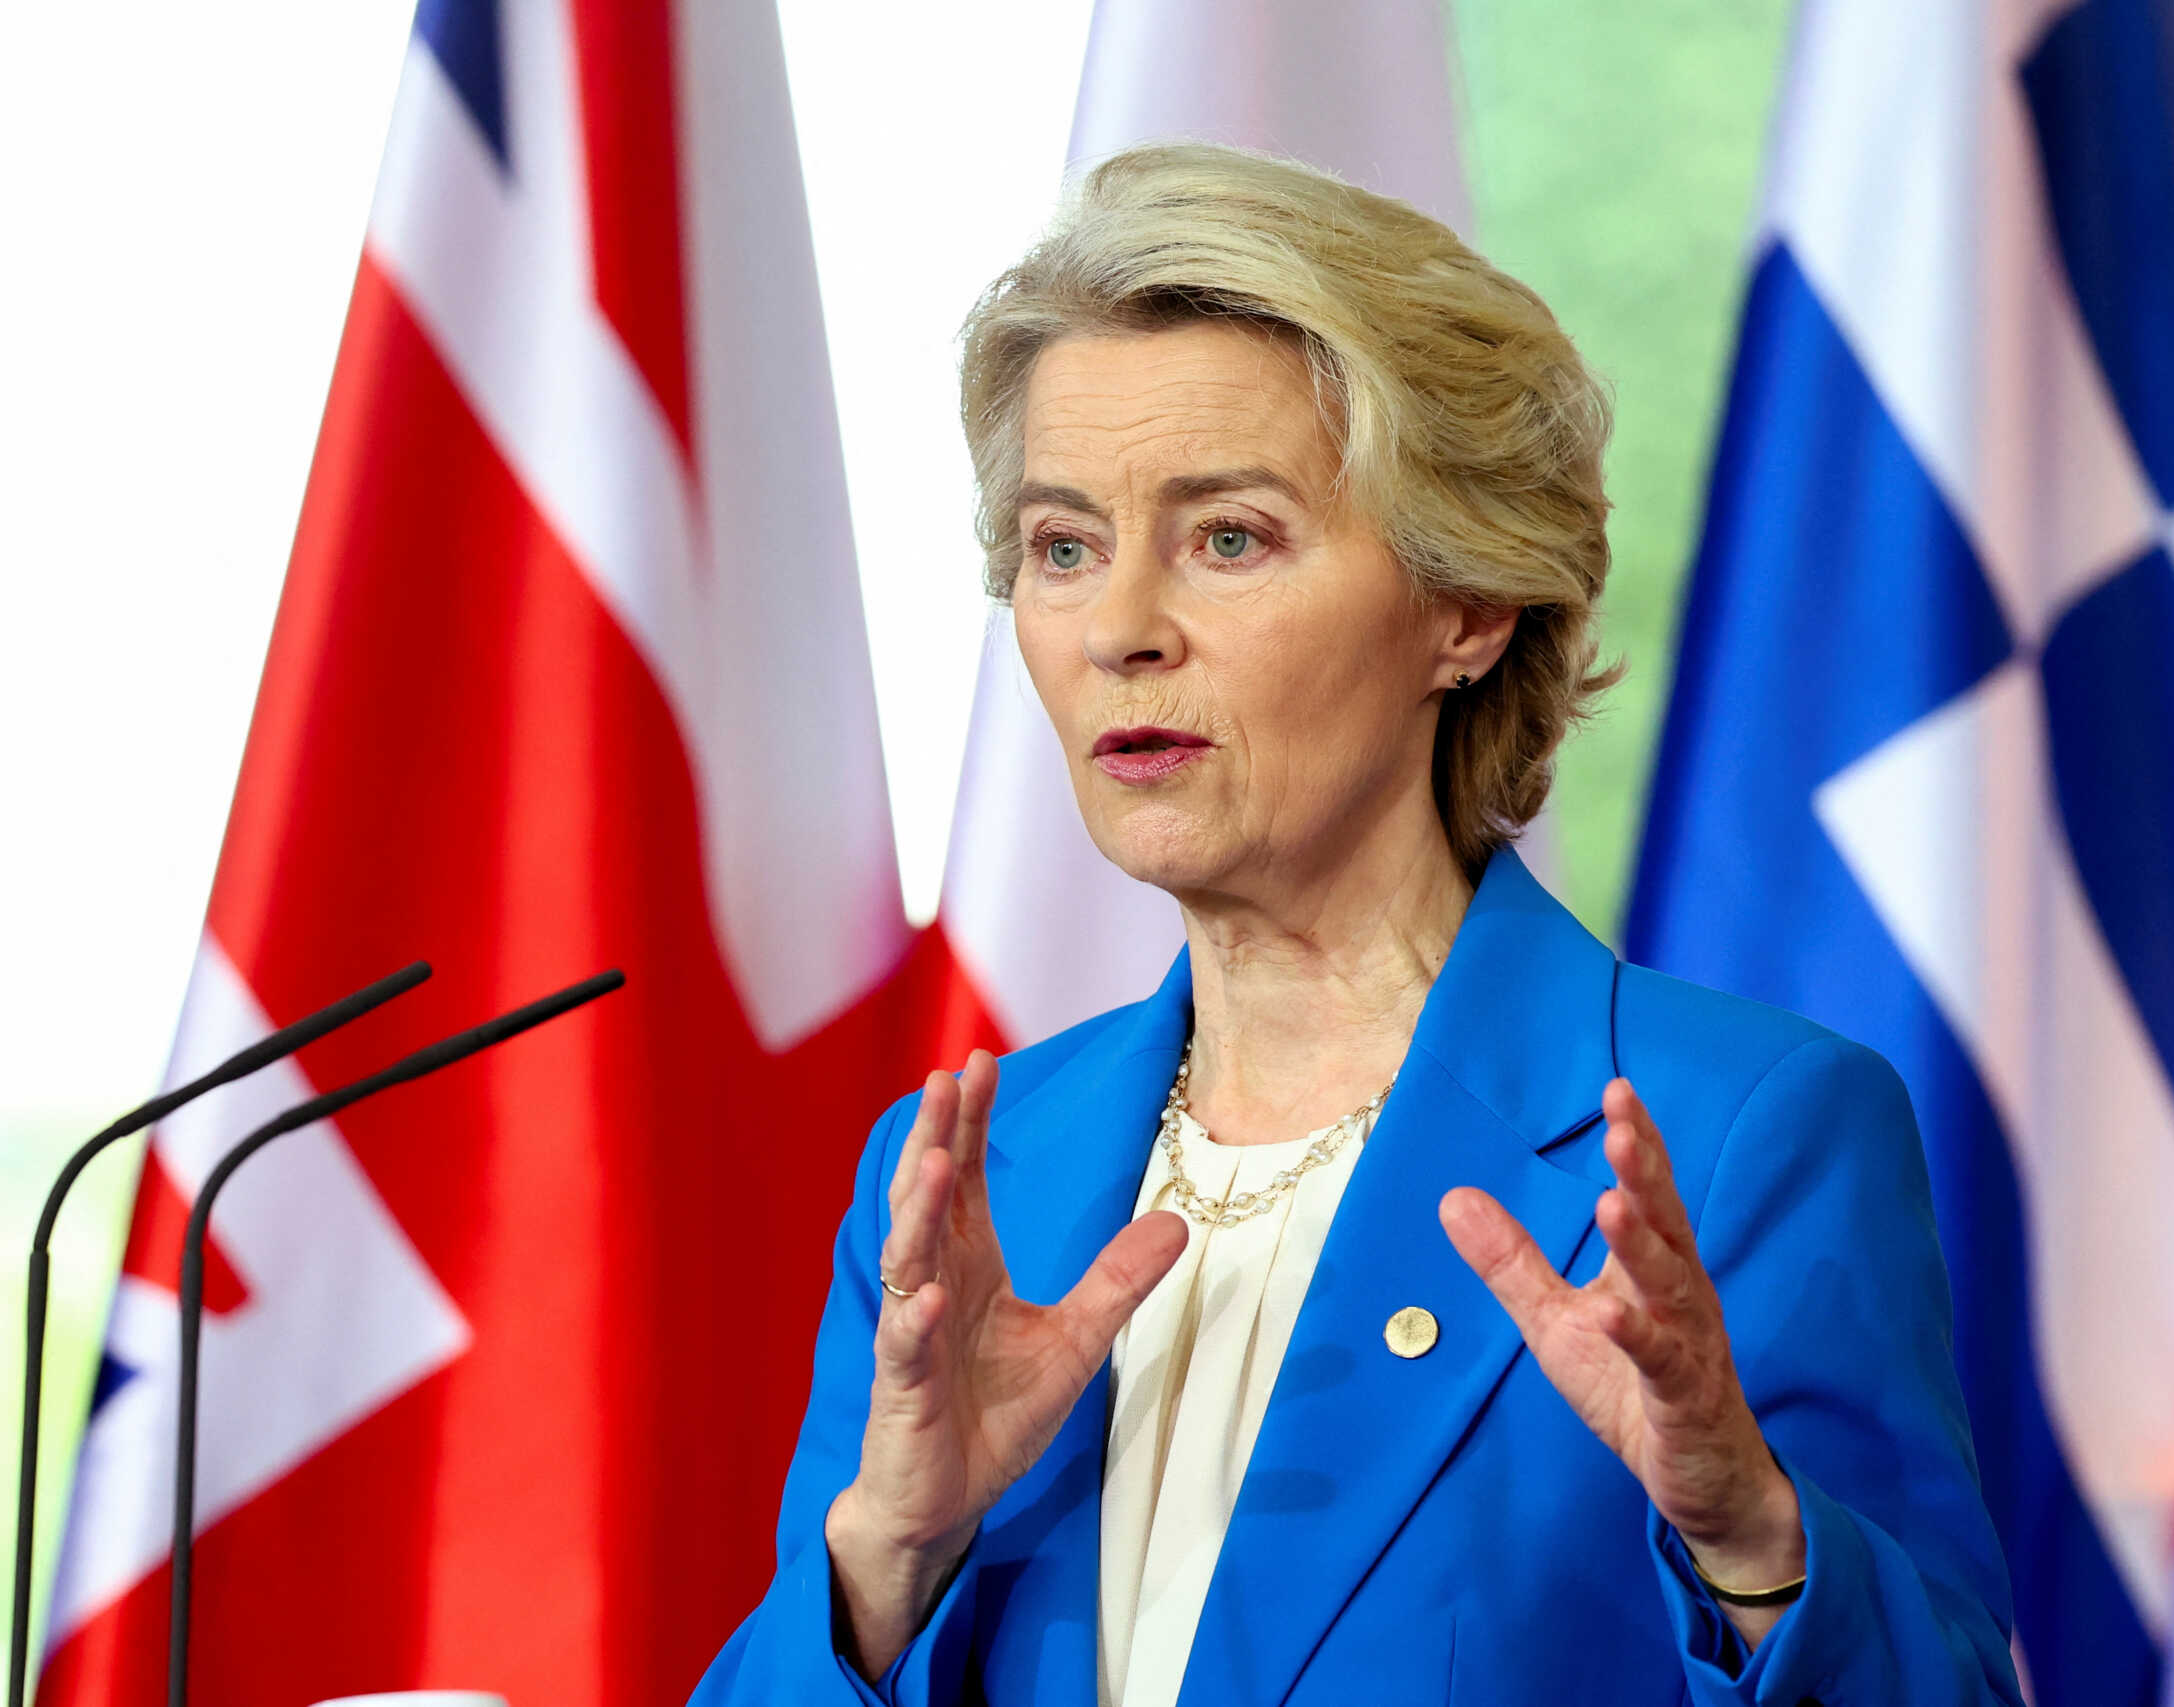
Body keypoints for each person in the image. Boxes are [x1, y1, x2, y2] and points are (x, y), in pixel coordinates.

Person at [691, 143, 2021, 1707]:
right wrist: (880, 1569)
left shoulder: (1735, 1132)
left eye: (1229, 537)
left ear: (1466, 606)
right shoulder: (981, 1167)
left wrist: (1754, 1549)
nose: (1119, 629)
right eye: (1062, 548)